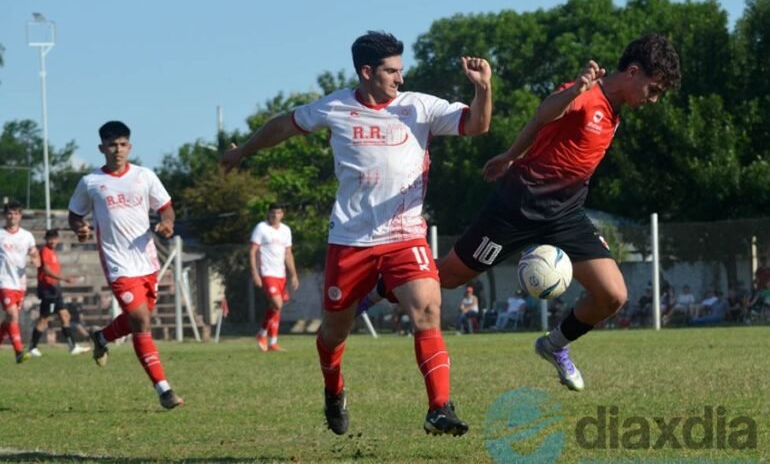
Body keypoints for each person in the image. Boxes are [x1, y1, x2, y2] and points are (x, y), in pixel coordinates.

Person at [359, 34, 680, 392]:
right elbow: (545, 113)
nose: (653, 100)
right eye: (653, 90)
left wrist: (511, 154)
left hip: (565, 215)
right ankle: (380, 285)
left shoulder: (615, 110)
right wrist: (573, 92)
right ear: (633, 72)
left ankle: (554, 345)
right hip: (516, 207)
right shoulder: (586, 93)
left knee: (612, 295)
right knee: (447, 277)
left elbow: (540, 130)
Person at [221, 31, 491, 435]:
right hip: (350, 241)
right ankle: (334, 389)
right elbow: (285, 125)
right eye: (391, 71)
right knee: (333, 333)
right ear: (366, 71)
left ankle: (439, 408)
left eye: (401, 69)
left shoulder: (419, 106)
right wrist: (243, 151)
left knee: (428, 309)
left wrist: (483, 89)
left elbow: (477, 124)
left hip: (405, 234)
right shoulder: (335, 107)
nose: (400, 78)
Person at [68, 120, 183, 409]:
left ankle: (102, 336)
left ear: (129, 147)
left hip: (147, 261)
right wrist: (80, 228)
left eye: (122, 144)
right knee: (142, 320)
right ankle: (164, 390)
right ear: (101, 148)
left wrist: (167, 223)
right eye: (111, 145)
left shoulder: (145, 176)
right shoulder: (91, 182)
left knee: (136, 320)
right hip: (117, 263)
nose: (117, 150)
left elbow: (165, 207)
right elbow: (75, 214)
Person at [28, 229, 91, 357]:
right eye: (50, 238)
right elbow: (46, 269)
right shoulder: (45, 251)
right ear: (46, 239)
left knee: (65, 316)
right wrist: (63, 278)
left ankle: (72, 346)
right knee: (44, 319)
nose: (52, 241)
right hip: (48, 289)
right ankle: (32, 347)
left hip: (55, 289)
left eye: (54, 238)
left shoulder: (53, 252)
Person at [250, 202, 299, 352]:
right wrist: (255, 273)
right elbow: (252, 251)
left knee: (275, 307)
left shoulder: (286, 230)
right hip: (267, 272)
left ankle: (272, 342)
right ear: (268, 214)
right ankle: (262, 333)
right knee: (278, 304)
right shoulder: (261, 228)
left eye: (278, 213)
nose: (275, 216)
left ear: (282, 214)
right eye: (272, 213)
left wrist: (293, 275)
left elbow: (288, 254)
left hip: (281, 274)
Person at [0, 201, 39, 363]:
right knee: (12, 314)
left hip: (20, 284)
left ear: (20, 216)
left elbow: (34, 253)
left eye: (16, 213)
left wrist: (35, 260)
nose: (13, 216)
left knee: (10, 319)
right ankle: (19, 352)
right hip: (4, 281)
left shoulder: (27, 236)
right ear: (5, 215)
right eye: (10, 213)